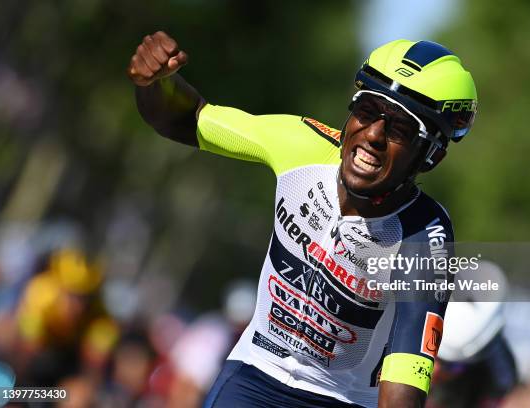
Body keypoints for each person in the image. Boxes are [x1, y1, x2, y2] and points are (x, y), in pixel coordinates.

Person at [127, 31, 477, 407]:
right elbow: (186, 117)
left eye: (401, 129)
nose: (373, 134)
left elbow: (406, 373)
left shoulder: (425, 234)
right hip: (255, 373)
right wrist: (155, 82)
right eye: (367, 110)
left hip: (340, 399)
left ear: (431, 156)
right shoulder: (301, 146)